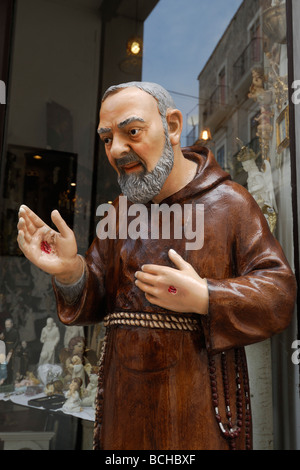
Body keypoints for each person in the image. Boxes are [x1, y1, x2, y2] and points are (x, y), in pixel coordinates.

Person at [17, 82, 296, 450]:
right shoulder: (120, 213)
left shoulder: (231, 203)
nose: (116, 150)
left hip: (200, 412)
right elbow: (96, 295)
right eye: (106, 139)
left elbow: (279, 293)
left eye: (131, 132)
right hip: (124, 409)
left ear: (174, 127)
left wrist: (206, 297)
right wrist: (70, 270)